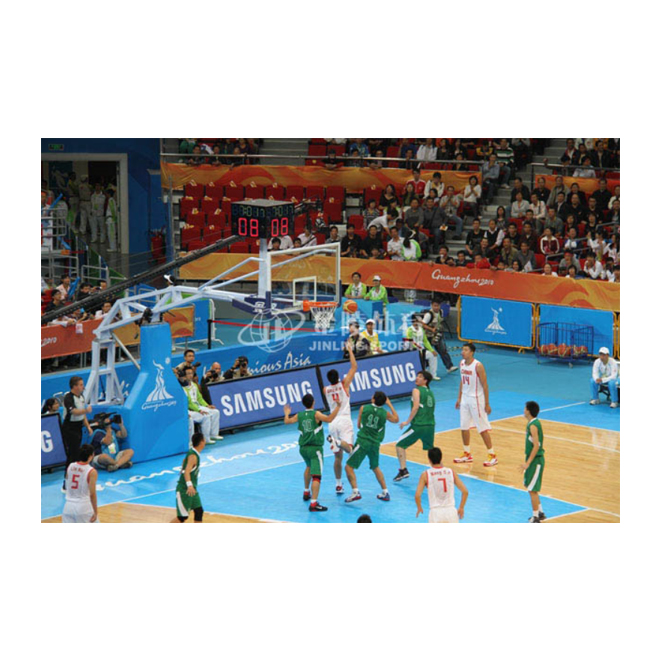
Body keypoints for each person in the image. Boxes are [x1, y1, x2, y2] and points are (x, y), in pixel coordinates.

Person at [284, 394, 340, 512]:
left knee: (308, 467)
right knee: (316, 476)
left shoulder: (299, 415)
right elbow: (329, 419)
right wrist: (338, 407)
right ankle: (313, 503)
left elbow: (287, 421)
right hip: (315, 449)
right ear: (313, 402)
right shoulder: (316, 414)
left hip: (303, 449)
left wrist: (286, 413)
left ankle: (306, 492)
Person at [344, 391, 399, 503]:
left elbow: (359, 425)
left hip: (363, 442)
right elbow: (396, 419)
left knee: (348, 467)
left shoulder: (363, 408)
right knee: (375, 467)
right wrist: (389, 404)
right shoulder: (385, 413)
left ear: (373, 399)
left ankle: (355, 492)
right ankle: (385, 491)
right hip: (375, 444)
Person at [453, 342, 497, 467]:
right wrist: (459, 398)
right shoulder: (462, 363)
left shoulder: (478, 366)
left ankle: (492, 455)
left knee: (482, 428)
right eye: (462, 350)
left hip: (476, 399)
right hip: (465, 399)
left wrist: (487, 403)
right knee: (464, 426)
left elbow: (485, 385)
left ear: (472, 352)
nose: (463, 352)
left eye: (466, 350)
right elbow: (462, 381)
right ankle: (467, 453)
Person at [324, 342, 358, 494]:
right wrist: (350, 349)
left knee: (338, 457)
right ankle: (338, 442)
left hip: (332, 422)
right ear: (338, 377)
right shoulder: (344, 385)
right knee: (350, 449)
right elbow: (354, 367)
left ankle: (338, 484)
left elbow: (332, 385)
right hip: (344, 420)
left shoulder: (325, 389)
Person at [393, 370, 436, 482]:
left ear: (425, 381)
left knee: (400, 445)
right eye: (417, 376)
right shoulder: (431, 393)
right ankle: (438, 470)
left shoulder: (416, 390)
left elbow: (415, 407)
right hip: (430, 425)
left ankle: (403, 470)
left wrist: (407, 422)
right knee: (430, 449)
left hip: (419, 425)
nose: (417, 378)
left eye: (420, 377)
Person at [415, 447, 468, 523]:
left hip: (436, 513)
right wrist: (461, 507)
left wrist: (419, 507)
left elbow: (417, 495)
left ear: (429, 460)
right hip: (451, 512)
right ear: (441, 458)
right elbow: (465, 492)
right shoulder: (451, 472)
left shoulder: (425, 474)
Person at [62, 376, 94, 491]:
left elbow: (82, 415)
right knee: (72, 455)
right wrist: (86, 410)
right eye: (80, 385)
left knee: (76, 455)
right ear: (74, 386)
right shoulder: (68, 398)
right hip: (69, 429)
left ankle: (75, 480)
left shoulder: (81, 397)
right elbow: (74, 412)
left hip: (78, 427)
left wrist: (88, 426)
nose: (83, 387)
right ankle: (66, 482)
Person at [519, 401, 547, 522]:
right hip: (534, 460)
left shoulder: (533, 425)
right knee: (532, 488)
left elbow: (536, 446)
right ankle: (540, 512)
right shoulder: (533, 423)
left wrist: (528, 463)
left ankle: (535, 517)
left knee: (532, 490)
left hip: (536, 461)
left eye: (525, 408)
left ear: (528, 411)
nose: (524, 410)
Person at [182, 365, 222, 444]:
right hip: (190, 409)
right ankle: (205, 439)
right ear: (184, 376)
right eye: (188, 374)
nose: (190, 375)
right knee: (205, 416)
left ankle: (213, 434)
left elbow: (200, 398)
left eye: (191, 373)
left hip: (197, 406)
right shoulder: (183, 388)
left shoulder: (194, 385)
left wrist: (207, 406)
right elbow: (189, 403)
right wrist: (199, 410)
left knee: (215, 412)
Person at [172, 432, 206, 523]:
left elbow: (184, 460)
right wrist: (189, 485)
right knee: (182, 518)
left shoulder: (193, 452)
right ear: (201, 442)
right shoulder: (193, 456)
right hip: (185, 490)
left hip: (192, 490)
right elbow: (187, 472)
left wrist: (183, 467)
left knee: (199, 511)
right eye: (204, 439)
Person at [62, 443, 99, 523]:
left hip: (68, 507)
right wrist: (95, 512)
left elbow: (67, 482)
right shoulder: (91, 471)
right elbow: (92, 494)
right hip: (83, 507)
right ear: (91, 455)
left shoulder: (70, 466)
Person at [421, 298, 457, 374]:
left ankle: (449, 367)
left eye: (438, 305)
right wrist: (431, 329)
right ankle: (424, 369)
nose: (436, 307)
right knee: (428, 353)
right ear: (431, 305)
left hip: (437, 335)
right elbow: (422, 324)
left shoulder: (441, 312)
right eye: (435, 306)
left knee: (443, 350)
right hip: (428, 337)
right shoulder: (428, 315)